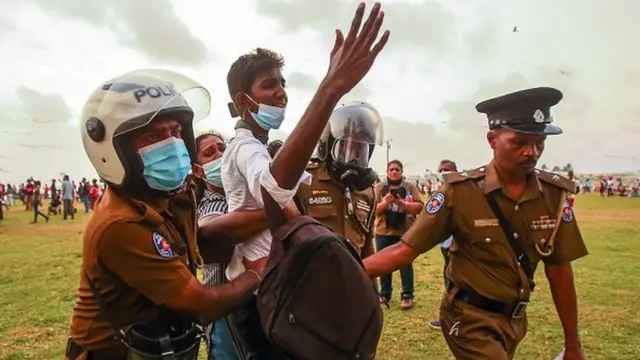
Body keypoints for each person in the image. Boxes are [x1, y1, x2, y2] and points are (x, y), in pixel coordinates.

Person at [362, 87, 588, 360]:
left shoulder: (554, 196)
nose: (532, 152)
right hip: (467, 319)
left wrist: (573, 345)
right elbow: (404, 251)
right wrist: (343, 270)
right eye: (519, 142)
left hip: (514, 320)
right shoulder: (459, 193)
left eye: (539, 142)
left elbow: (560, 271)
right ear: (492, 139)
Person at [220, 2, 389, 357]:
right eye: (269, 85)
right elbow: (272, 190)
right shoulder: (244, 147)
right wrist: (330, 89)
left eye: (282, 82)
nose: (281, 91)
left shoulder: (263, 146)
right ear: (243, 100)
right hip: (257, 298)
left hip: (278, 289)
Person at [65, 69, 262, 360]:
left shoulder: (164, 197)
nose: (171, 143)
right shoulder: (122, 224)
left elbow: (198, 243)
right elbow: (203, 305)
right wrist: (256, 273)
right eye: (153, 136)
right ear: (113, 150)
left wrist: (274, 215)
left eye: (175, 132)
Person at [192, 130, 270, 360]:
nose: (220, 155)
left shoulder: (241, 196)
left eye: (222, 148)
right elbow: (215, 233)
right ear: (198, 170)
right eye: (209, 153)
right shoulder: (208, 205)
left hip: (256, 303)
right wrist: (278, 209)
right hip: (226, 311)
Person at [298, 101, 382, 263]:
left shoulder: (368, 191)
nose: (354, 158)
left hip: (352, 282)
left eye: (360, 151)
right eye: (347, 148)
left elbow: (367, 247)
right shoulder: (305, 181)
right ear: (327, 145)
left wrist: (371, 287)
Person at [373, 159, 423, 309]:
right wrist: (385, 203)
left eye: (397, 170)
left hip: (405, 232)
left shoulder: (410, 187)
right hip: (384, 231)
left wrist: (403, 205)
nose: (394, 172)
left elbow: (420, 207)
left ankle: (407, 295)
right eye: (391, 170)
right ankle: (384, 294)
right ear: (387, 172)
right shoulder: (379, 187)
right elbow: (373, 210)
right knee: (383, 263)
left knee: (405, 263)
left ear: (401, 172)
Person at [429, 159, 458, 329]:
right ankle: (450, 318)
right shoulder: (440, 193)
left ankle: (451, 319)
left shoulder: (462, 192)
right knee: (448, 279)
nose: (444, 172)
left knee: (456, 281)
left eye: (447, 169)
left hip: (458, 245)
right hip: (445, 245)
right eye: (441, 170)